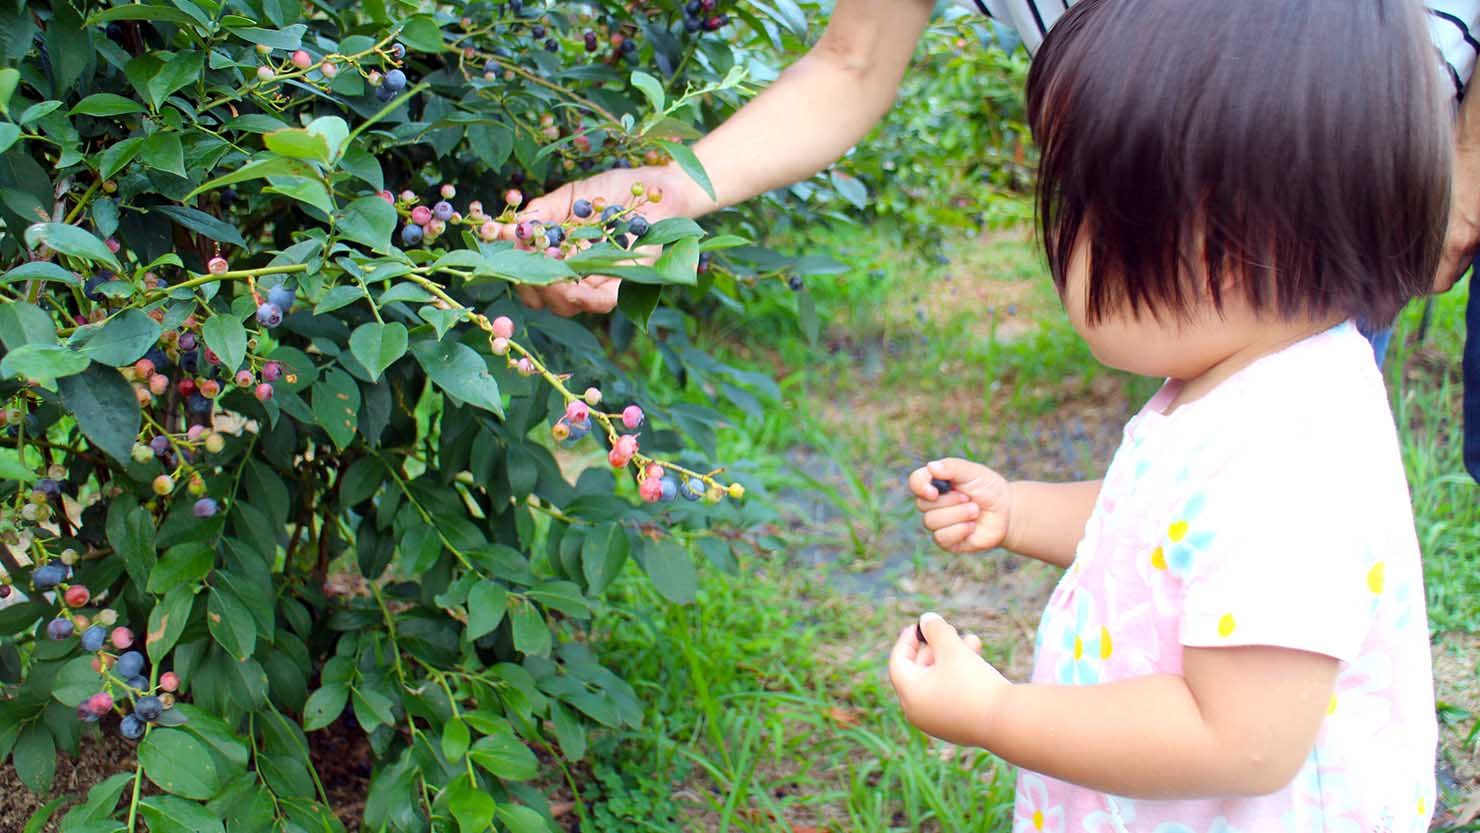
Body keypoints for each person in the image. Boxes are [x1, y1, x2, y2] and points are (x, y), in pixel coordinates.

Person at [512, 0, 1480, 486]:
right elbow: (851, 59)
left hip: (1349, 171)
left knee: (1275, 488)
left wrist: (1460, 192)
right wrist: (671, 188)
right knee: (1205, 471)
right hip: (1262, 191)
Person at [893, 1, 1446, 830]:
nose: (1057, 244)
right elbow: (1164, 527)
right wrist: (1017, 508)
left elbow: (1239, 739)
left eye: (1084, 202)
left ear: (1230, 227)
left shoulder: (1292, 454)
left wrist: (994, 714)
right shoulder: (1246, 382)